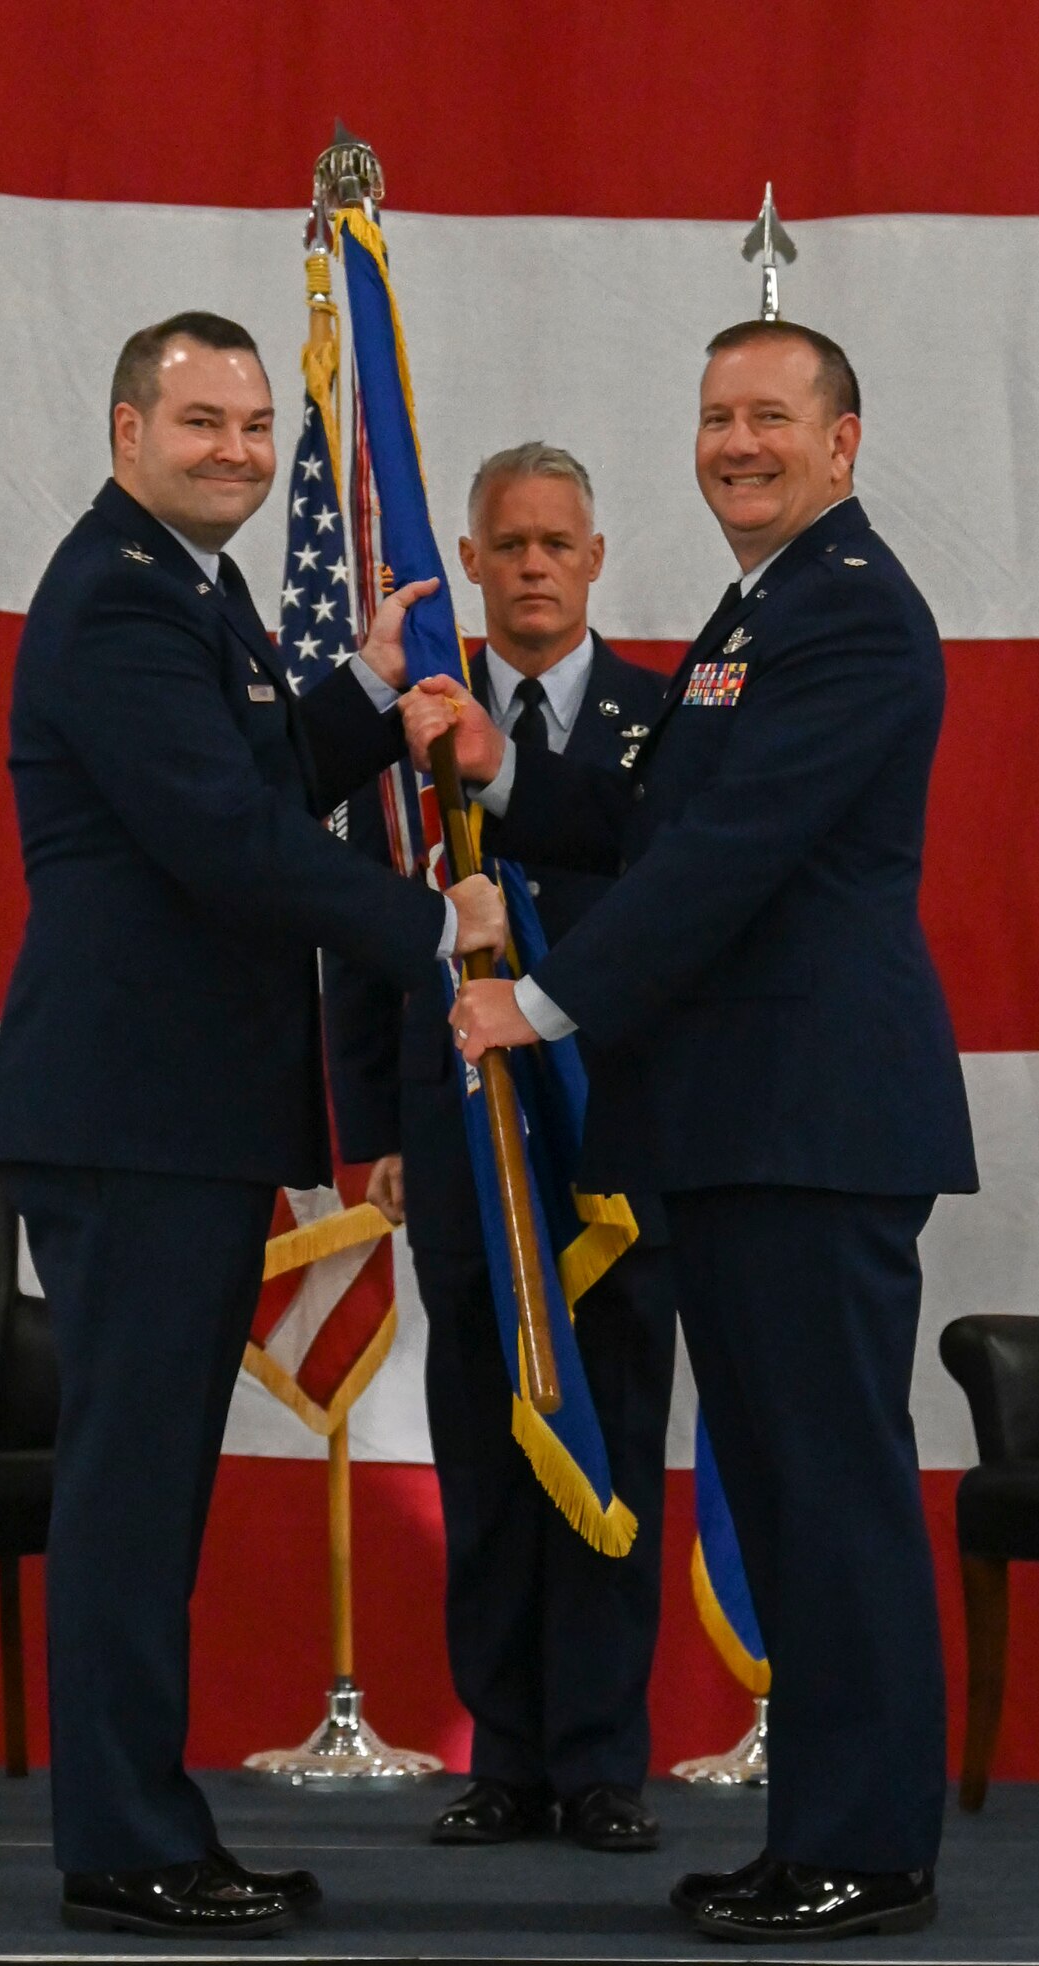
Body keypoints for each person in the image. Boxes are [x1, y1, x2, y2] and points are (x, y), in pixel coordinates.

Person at [403, 323, 978, 1944]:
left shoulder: (852, 611)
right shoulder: (760, 611)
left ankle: (866, 1849)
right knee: (794, 1490)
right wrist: (501, 770)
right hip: (744, 1126)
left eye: (773, 417)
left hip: (814, 1122)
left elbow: (727, 857)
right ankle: (824, 1836)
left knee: (834, 1492)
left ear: (846, 441)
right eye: (718, 416)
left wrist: (546, 1000)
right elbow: (650, 813)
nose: (738, 442)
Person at [0, 311, 504, 1939]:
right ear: (126, 429)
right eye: (204, 423)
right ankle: (127, 1845)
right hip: (137, 1113)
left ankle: (142, 1824)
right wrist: (434, 930)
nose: (243, 454)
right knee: (130, 1498)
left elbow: (252, 769)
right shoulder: (120, 600)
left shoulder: (183, 588)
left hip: (164, 1112)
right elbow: (223, 841)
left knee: (149, 1492)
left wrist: (355, 693)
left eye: (261, 428)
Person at [325, 445, 677, 1853]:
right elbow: (358, 933)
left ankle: (600, 1764)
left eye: (557, 543)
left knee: (615, 1444)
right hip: (457, 1136)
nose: (533, 566)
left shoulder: (665, 727)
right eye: (507, 544)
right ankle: (508, 1757)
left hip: (618, 1146)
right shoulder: (417, 727)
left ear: (597, 558)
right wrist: (375, 1130)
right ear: (465, 563)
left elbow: (685, 923)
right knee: (481, 1448)